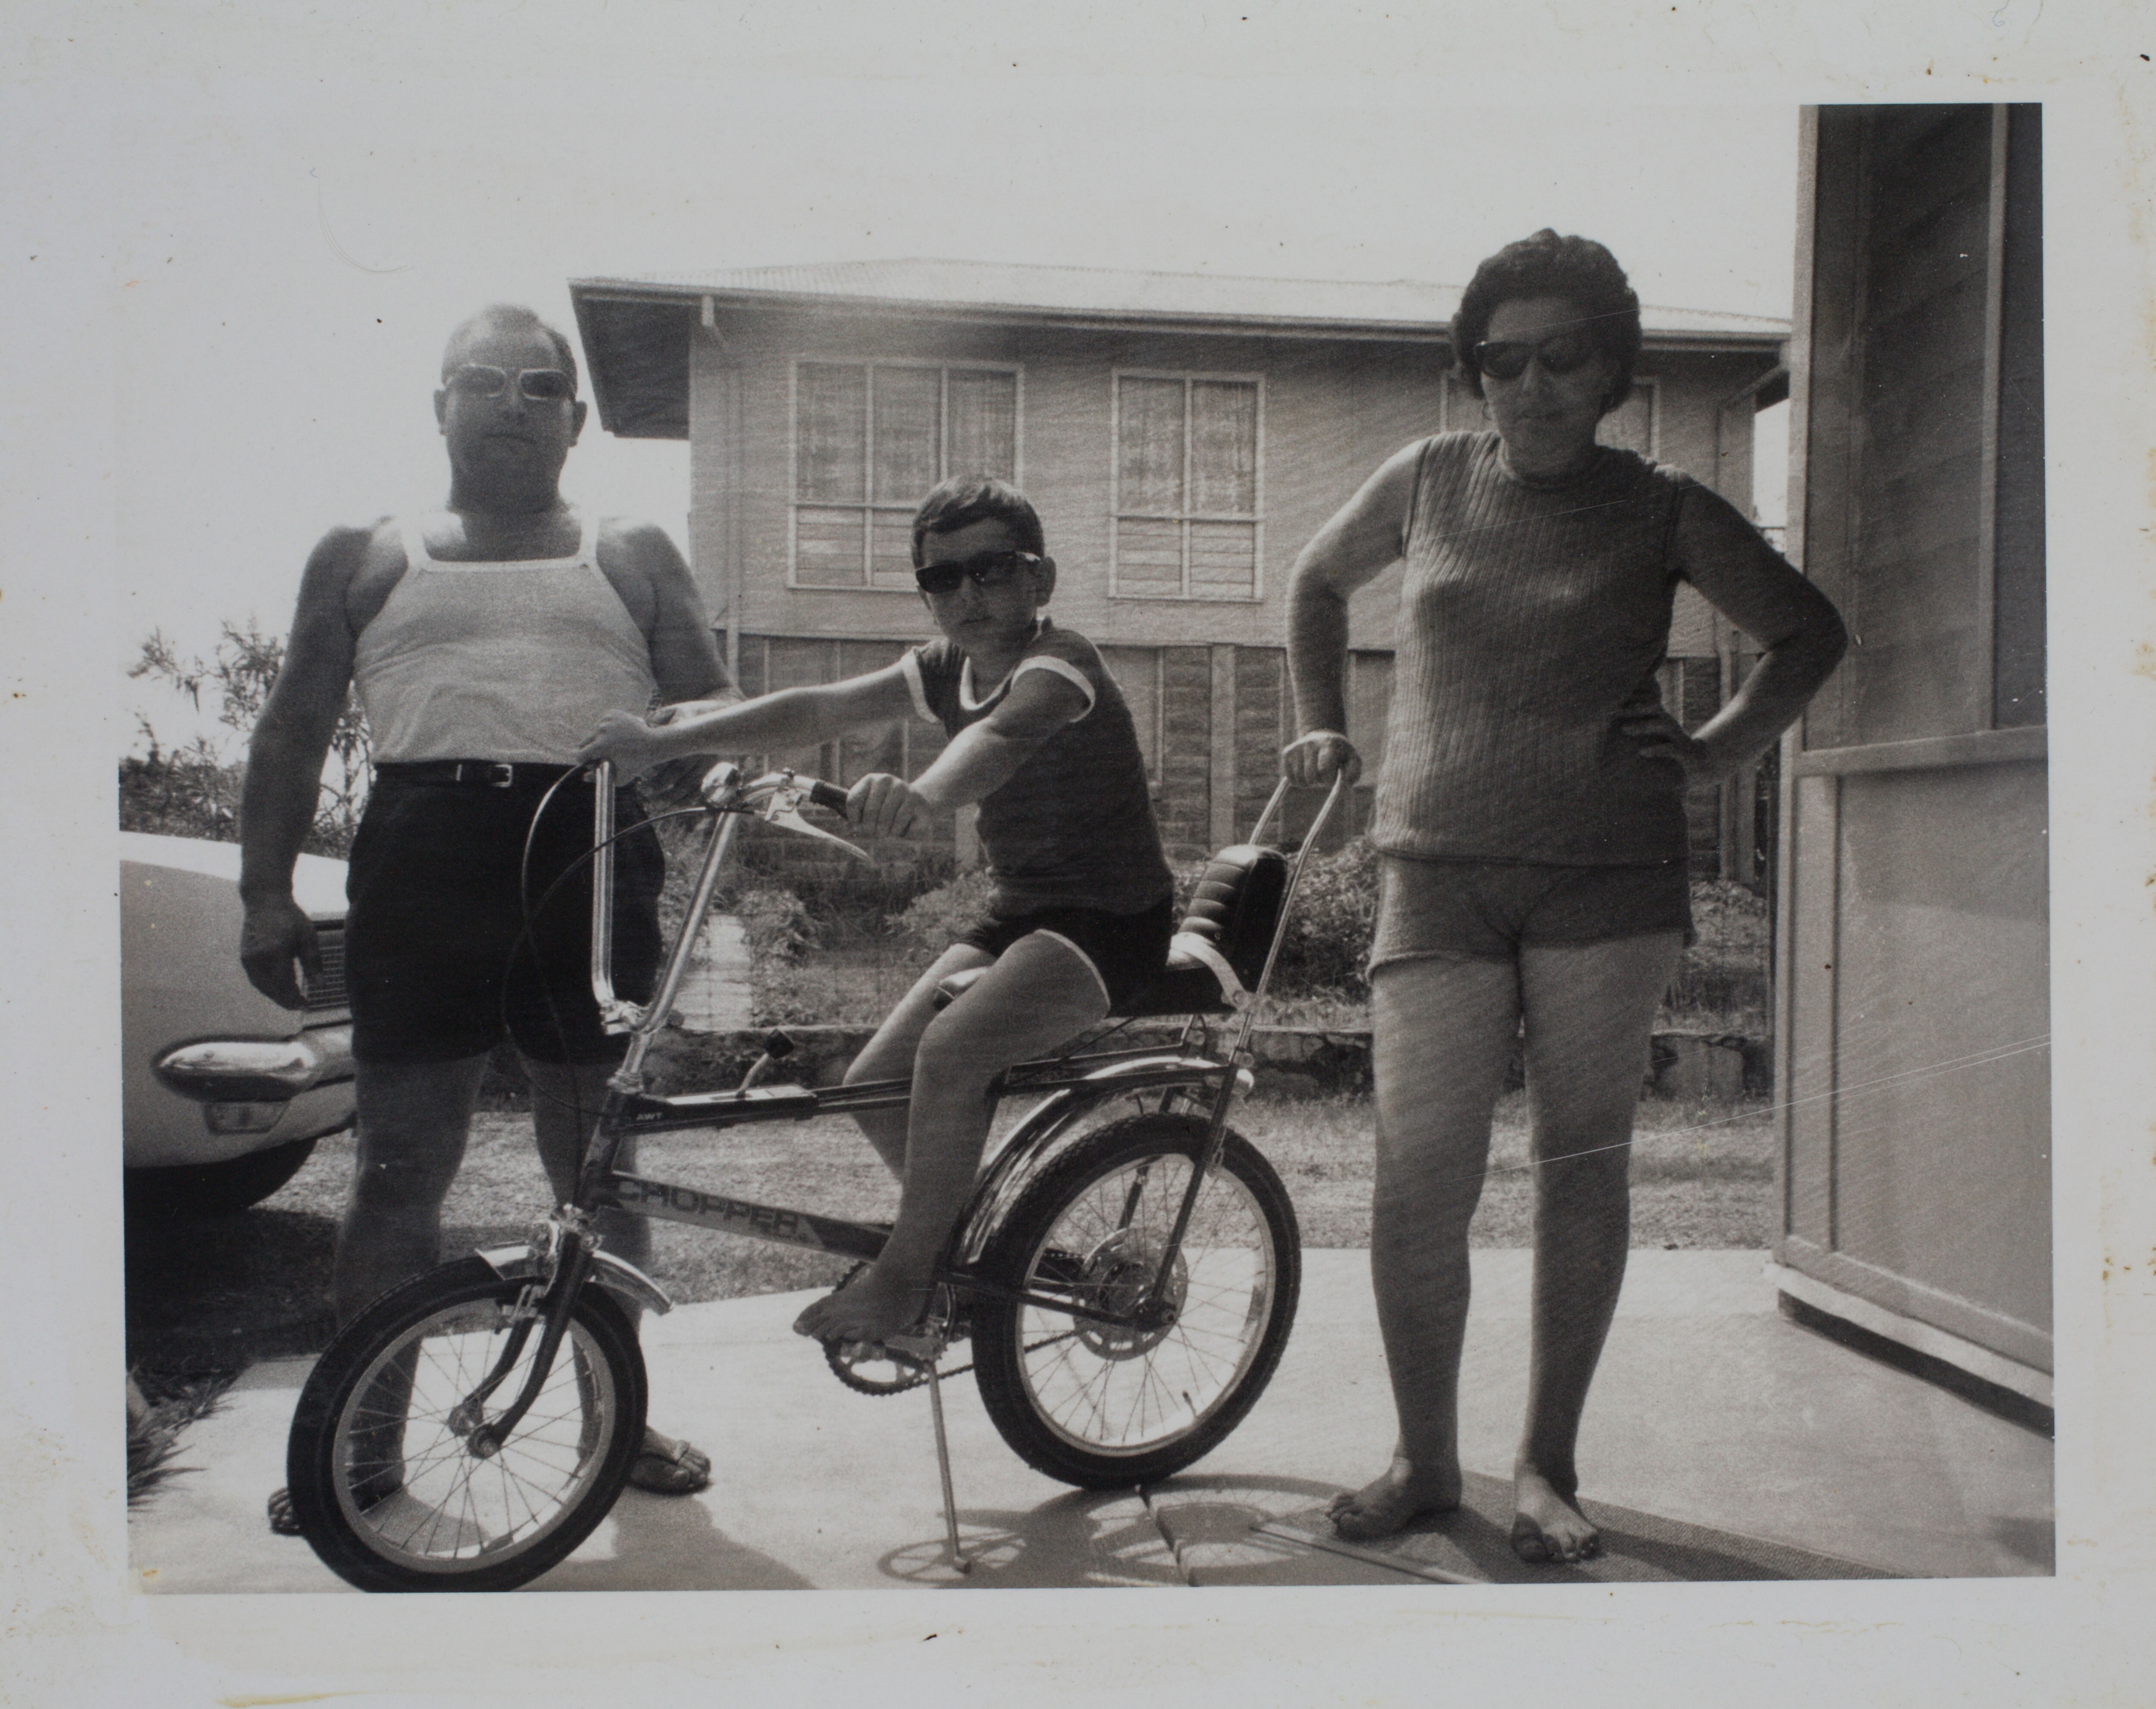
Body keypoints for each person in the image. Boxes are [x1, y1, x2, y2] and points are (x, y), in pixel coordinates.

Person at [1282, 230, 1846, 1564]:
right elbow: (1312, 581)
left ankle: (1546, 1466)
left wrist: (1718, 749)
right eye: (1501, 362)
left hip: (1609, 877)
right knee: (1420, 1179)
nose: (1529, 386)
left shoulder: (1663, 504)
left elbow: (1808, 632)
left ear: (1611, 371)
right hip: (1437, 871)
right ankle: (1427, 1460)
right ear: (1473, 374)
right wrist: (1324, 727)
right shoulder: (1423, 480)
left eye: (1561, 358)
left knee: (1580, 1169)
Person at [239, 304, 732, 1525]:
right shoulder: (364, 547)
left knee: (596, 1167)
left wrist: (698, 767)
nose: (510, 403)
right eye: (482, 380)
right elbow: (294, 728)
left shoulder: (633, 547)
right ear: (439, 404)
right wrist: (262, 892)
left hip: (590, 851)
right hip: (423, 852)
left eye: (537, 385)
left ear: (574, 418)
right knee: (400, 1167)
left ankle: (615, 1424)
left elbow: (710, 713)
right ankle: (359, 1450)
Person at [581, 474, 1176, 1348]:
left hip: (1111, 924)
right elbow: (818, 706)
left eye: (993, 570)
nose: (967, 594)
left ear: (1038, 580)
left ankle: (906, 1278)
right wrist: (667, 739)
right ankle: (965, 1245)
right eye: (942, 579)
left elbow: (1001, 737)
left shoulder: (1062, 662)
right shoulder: (942, 667)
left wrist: (925, 795)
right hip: (1024, 912)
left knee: (953, 1047)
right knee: (871, 1079)